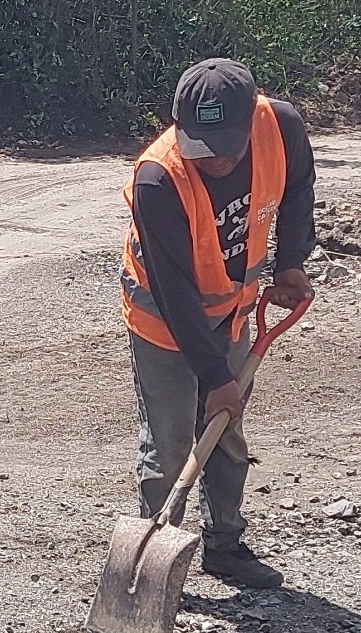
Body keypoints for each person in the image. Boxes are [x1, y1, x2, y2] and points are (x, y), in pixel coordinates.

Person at [118, 56, 316, 589]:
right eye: (201, 147)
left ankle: (225, 546)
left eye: (226, 145)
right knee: (170, 446)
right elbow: (174, 291)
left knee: (226, 433)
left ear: (251, 119)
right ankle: (154, 568)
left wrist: (291, 260)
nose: (216, 159)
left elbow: (298, 188)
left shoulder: (281, 127)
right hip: (164, 322)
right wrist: (215, 376)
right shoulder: (158, 179)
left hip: (233, 313)